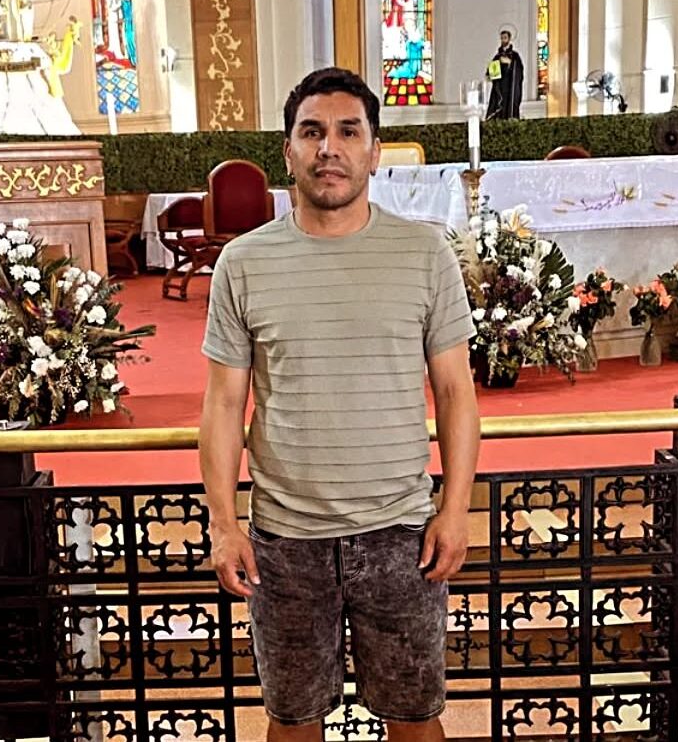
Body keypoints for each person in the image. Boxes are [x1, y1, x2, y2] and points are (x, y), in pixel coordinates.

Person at [199, 67, 481, 741]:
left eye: (349, 132)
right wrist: (223, 524)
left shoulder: (425, 253)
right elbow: (223, 405)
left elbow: (455, 393)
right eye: (312, 132)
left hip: (401, 536)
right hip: (285, 541)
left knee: (416, 723)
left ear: (375, 152)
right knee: (293, 723)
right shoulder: (243, 262)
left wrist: (455, 510)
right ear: (288, 151)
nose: (330, 148)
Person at [485, 29, 524, 119]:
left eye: (505, 38)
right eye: (502, 38)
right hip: (500, 87)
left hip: (510, 87)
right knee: (498, 105)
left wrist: (510, 62)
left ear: (509, 39)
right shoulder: (497, 56)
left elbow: (519, 70)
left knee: (509, 106)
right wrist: (490, 73)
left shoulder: (515, 56)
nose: (503, 40)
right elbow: (491, 73)